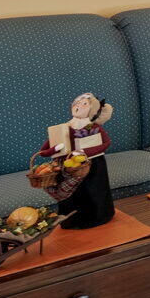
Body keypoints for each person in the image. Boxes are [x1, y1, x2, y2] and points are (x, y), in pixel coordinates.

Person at [37, 93, 115, 228]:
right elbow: (44, 151)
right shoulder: (64, 127)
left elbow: (106, 143)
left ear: (92, 110)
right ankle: (72, 220)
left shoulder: (93, 127)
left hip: (93, 166)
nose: (78, 106)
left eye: (84, 104)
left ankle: (99, 216)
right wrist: (56, 149)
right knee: (72, 196)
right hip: (69, 166)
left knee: (94, 191)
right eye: (77, 103)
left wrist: (85, 152)